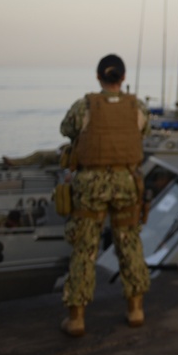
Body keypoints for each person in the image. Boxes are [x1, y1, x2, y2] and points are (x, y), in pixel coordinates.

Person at [58, 54, 151, 337]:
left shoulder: (84, 106)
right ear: (123, 78)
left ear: (98, 77)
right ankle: (135, 309)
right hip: (126, 182)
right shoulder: (138, 108)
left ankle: (76, 318)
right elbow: (143, 131)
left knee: (85, 248)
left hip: (90, 184)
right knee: (129, 243)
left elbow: (67, 129)